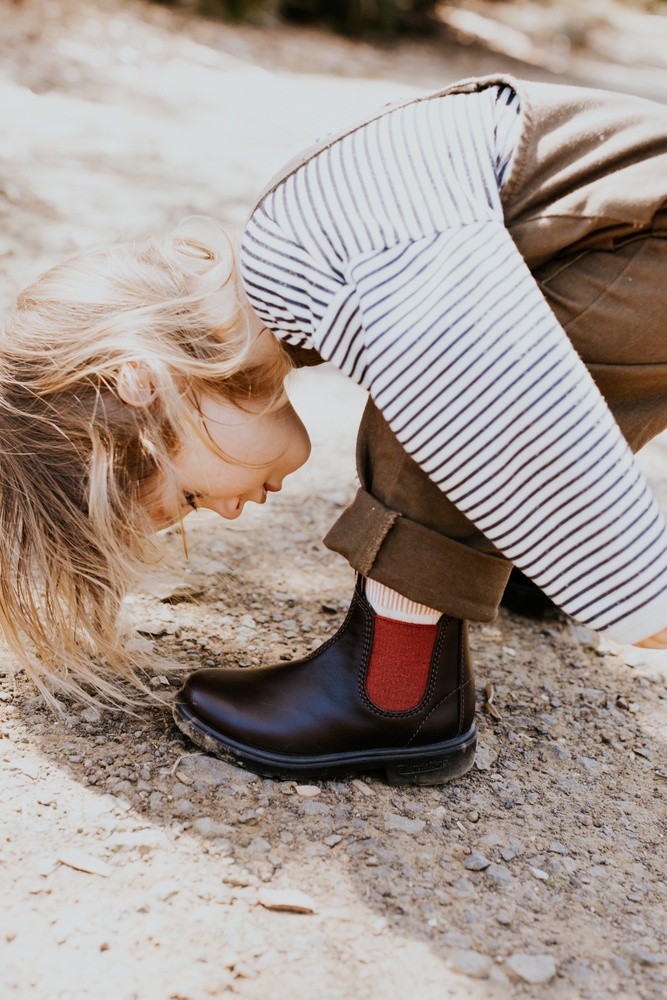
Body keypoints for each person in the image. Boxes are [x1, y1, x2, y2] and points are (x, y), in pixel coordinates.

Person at [2, 74, 667, 783]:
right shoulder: (302, 253)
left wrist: (636, 598)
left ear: (147, 384)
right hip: (628, 246)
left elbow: (509, 397)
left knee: (440, 413)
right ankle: (510, 556)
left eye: (191, 498)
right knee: (441, 388)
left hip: (644, 240)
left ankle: (392, 692)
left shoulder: (332, 258)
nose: (229, 511)